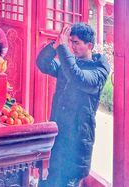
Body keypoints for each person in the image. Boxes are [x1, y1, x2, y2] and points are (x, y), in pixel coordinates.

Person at [36, 23, 110, 187]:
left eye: (76, 43)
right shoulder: (70, 63)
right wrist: (55, 46)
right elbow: (43, 64)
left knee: (68, 180)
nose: (71, 46)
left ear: (89, 45)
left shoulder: (99, 69)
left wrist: (63, 49)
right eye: (70, 42)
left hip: (78, 137)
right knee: (51, 178)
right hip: (59, 132)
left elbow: (78, 78)